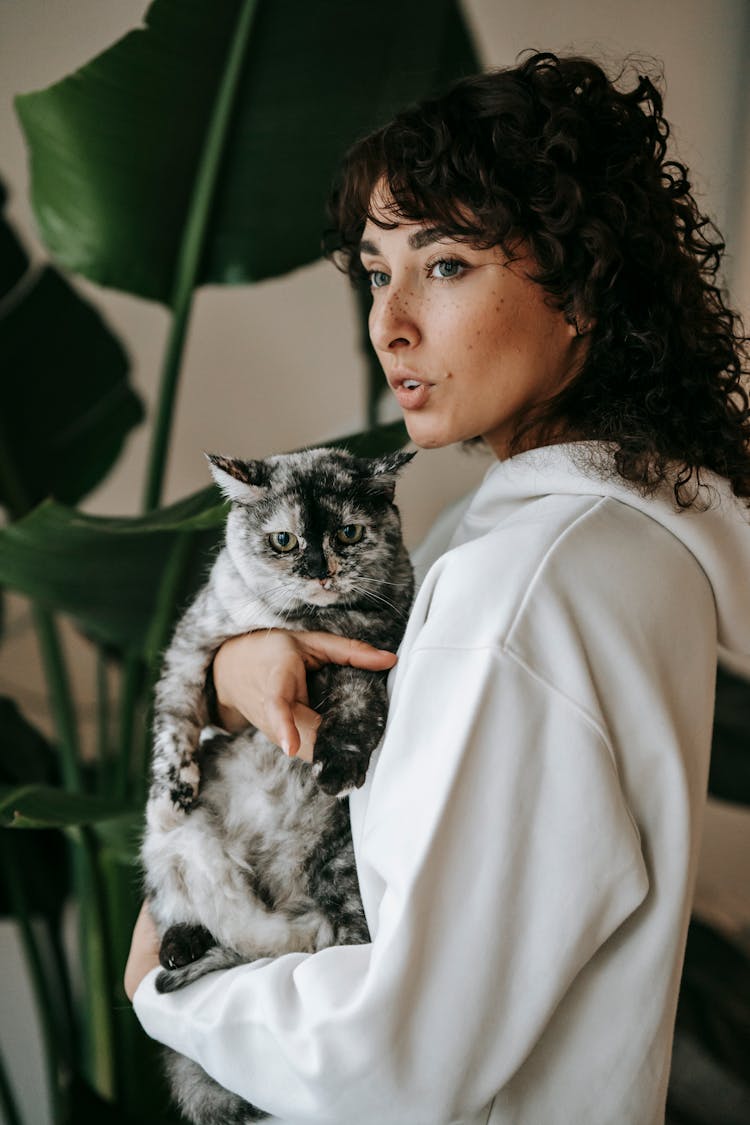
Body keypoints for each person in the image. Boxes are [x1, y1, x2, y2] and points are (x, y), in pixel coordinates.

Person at [125, 51, 750, 1123]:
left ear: (582, 284)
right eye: (377, 271)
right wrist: (243, 665)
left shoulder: (525, 587)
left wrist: (174, 988)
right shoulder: (626, 545)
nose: (390, 323)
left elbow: (402, 1056)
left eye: (446, 264)